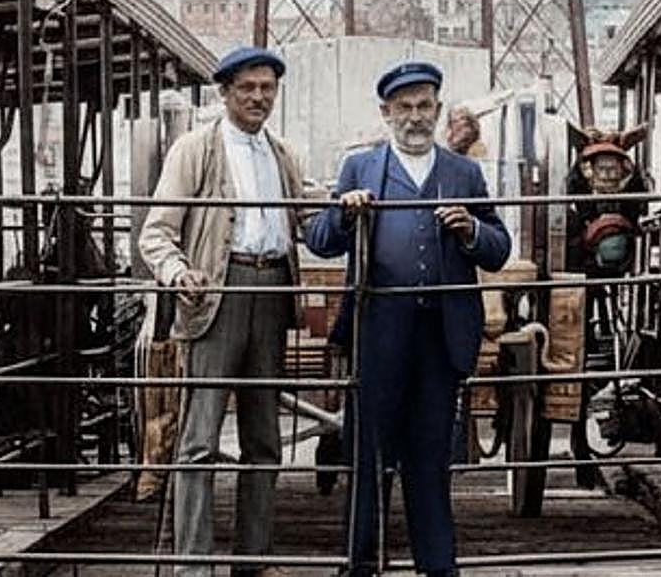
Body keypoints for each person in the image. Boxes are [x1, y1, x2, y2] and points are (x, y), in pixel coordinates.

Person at [306, 61, 511, 577]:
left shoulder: (464, 173)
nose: (415, 117)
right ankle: (359, 563)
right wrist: (345, 212)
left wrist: (469, 232)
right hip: (378, 331)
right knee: (368, 452)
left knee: (430, 455)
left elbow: (498, 248)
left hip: (440, 336)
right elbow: (321, 239)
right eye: (405, 108)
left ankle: (438, 565)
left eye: (424, 106)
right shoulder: (361, 169)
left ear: (438, 111)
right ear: (386, 114)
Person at [139, 46, 308, 577]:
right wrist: (178, 273)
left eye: (267, 89)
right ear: (225, 93)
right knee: (199, 439)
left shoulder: (283, 155)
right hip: (217, 294)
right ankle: (194, 564)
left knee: (265, 437)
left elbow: (305, 223)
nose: (259, 98)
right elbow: (156, 233)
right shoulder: (196, 150)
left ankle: (254, 559)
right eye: (248, 89)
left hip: (274, 290)